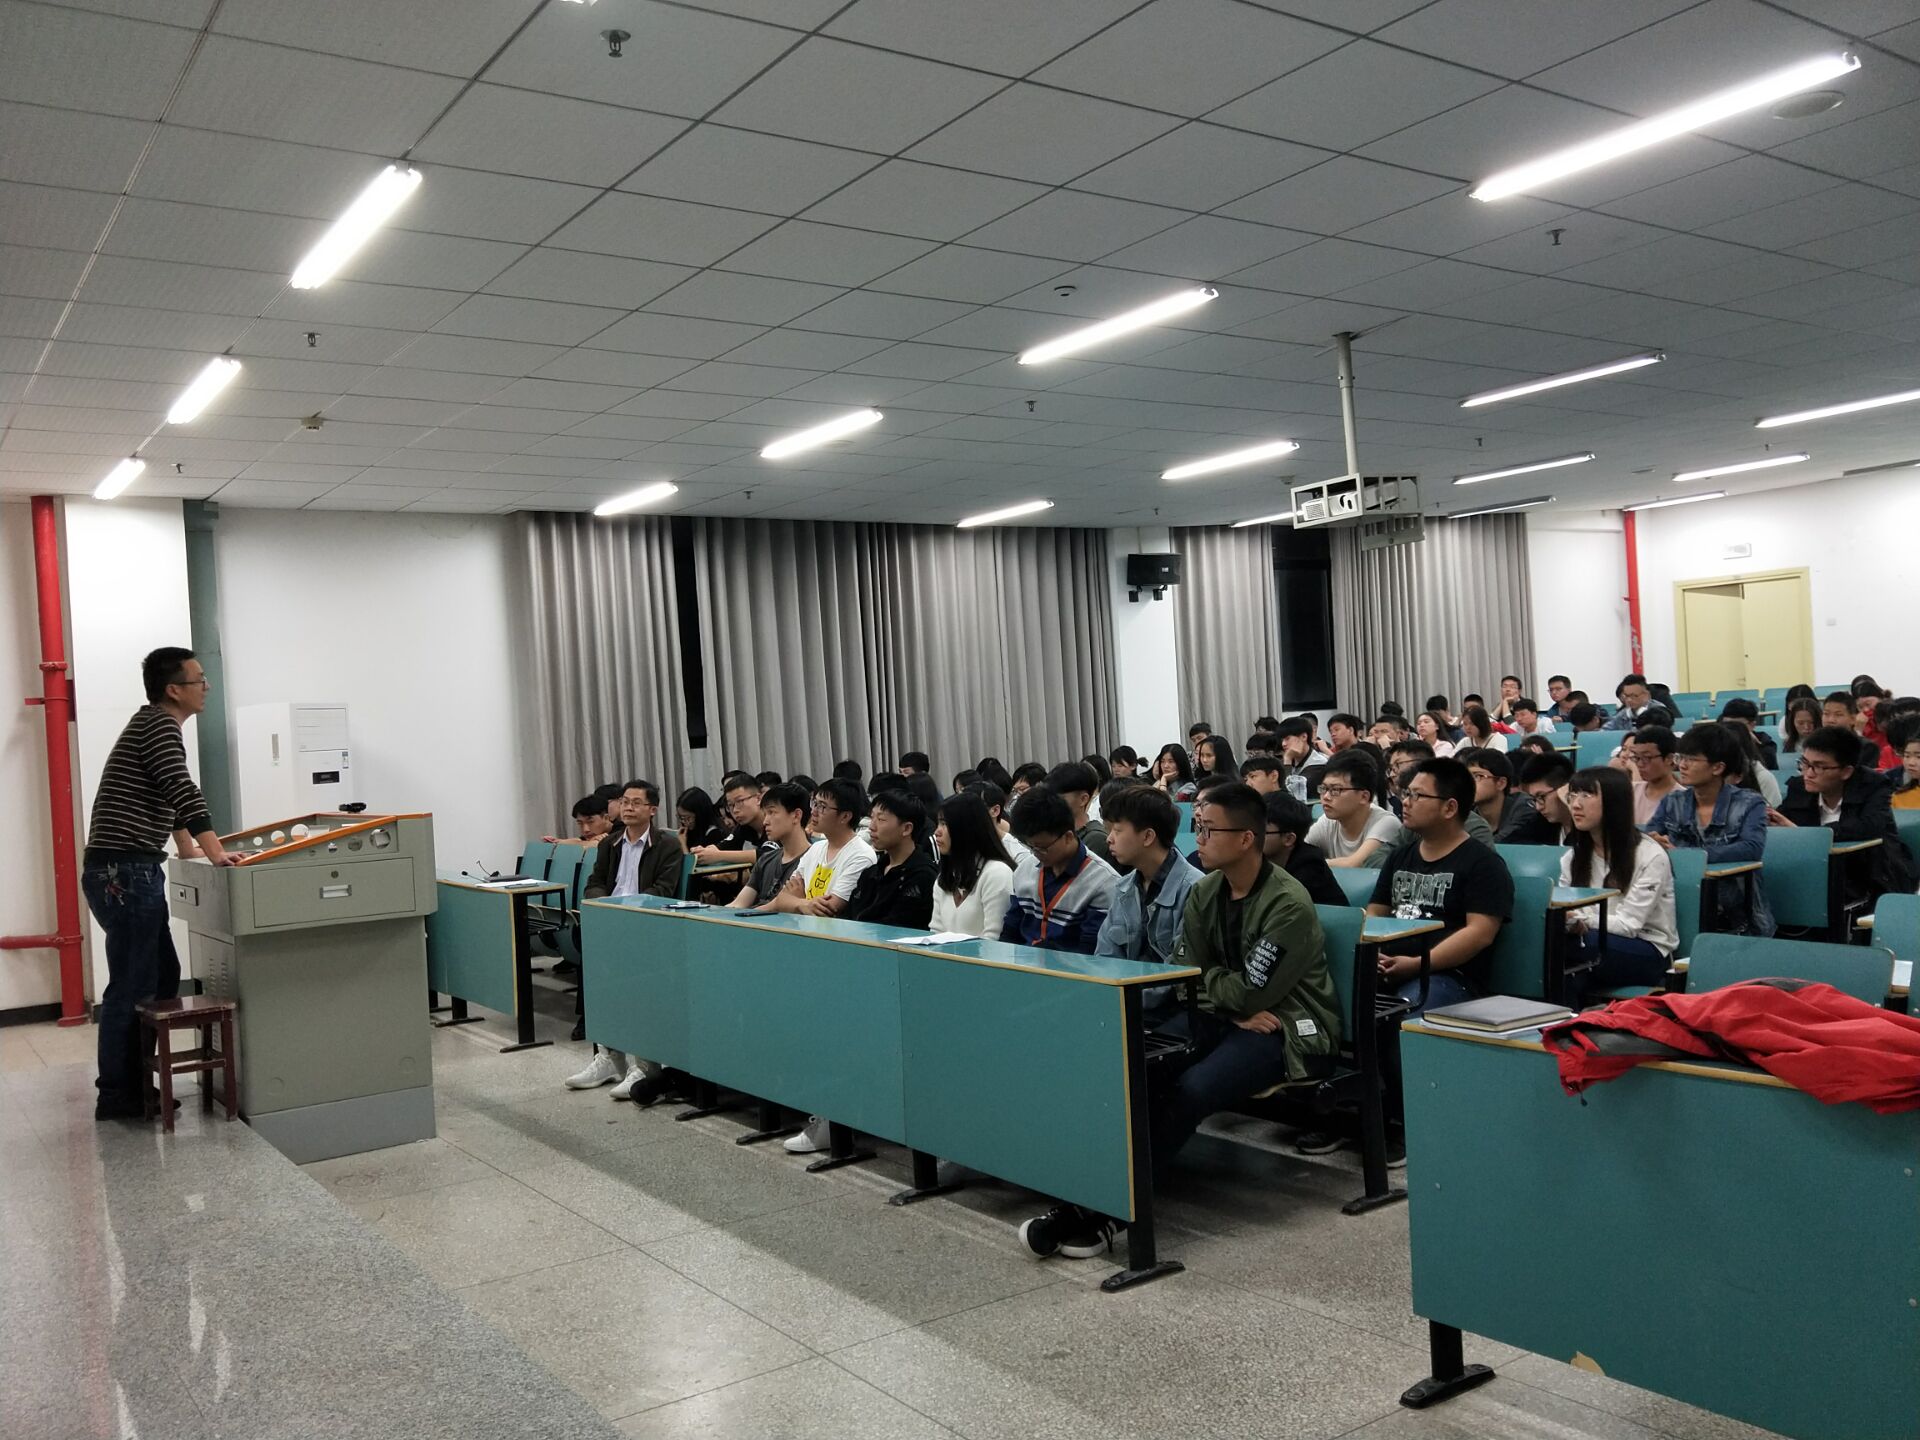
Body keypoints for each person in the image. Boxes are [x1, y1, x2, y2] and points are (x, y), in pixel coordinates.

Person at [1018, 783, 1340, 1260]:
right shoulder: (1208, 891)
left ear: (1246, 839)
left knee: (1192, 1089)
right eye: (1198, 828)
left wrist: (1216, 987)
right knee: (1141, 1070)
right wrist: (1222, 992)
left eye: (1209, 831)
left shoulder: (1287, 903)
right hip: (1226, 1017)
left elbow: (1251, 993)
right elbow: (1186, 975)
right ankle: (1090, 1193)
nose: (1198, 839)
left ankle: (1112, 1214)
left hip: (1287, 1027)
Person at [83, 647, 240, 1120]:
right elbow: (182, 791)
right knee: (133, 986)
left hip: (131, 869)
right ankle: (118, 1095)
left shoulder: (154, 727)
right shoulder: (158, 726)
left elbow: (164, 794)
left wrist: (187, 848)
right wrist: (216, 852)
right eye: (199, 679)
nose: (206, 687)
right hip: (123, 871)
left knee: (162, 976)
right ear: (174, 689)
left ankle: (136, 1083)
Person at [567, 779, 686, 1095]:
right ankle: (608, 1057)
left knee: (634, 985)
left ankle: (641, 1065)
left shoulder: (667, 845)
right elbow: (595, 882)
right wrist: (604, 905)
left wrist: (625, 910)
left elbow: (662, 891)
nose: (628, 808)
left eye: (636, 802)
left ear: (652, 809)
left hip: (645, 925)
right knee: (600, 982)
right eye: (624, 802)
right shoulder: (610, 843)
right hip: (612, 921)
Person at [1642, 722, 1774, 936]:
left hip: (1737, 914)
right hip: (1681, 906)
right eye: (1681, 758)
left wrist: (1686, 856)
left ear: (1717, 768)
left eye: (1691, 759)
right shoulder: (1673, 801)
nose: (1682, 765)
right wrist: (1654, 842)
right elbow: (1647, 839)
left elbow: (1751, 848)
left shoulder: (1749, 803)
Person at [1771, 725, 1918, 908]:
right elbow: (1783, 822)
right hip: (1815, 872)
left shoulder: (1874, 785)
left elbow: (1869, 826)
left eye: (1819, 767)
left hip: (1871, 872)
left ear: (1846, 771)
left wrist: (1809, 835)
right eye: (1805, 763)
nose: (1808, 773)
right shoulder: (1800, 787)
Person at [1561, 766, 1678, 994]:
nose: (1576, 804)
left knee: (1564, 946)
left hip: (1647, 950)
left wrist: (1580, 920)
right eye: (1572, 795)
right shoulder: (1573, 857)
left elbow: (1629, 925)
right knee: (1564, 964)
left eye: (1587, 795)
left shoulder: (1650, 855)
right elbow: (1567, 910)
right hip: (1591, 942)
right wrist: (1570, 922)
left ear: (1614, 802)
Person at [1095, 786, 1199, 1020]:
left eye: (1117, 830)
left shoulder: (1194, 889)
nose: (1109, 839)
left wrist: (1123, 1000)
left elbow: (1179, 974)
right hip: (1123, 1005)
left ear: (1148, 837)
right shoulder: (1124, 887)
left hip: (1173, 1012)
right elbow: (1105, 954)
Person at [1000, 786, 1120, 952]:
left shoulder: (1103, 882)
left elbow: (1090, 952)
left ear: (1068, 836)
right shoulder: (1025, 869)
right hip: (1021, 962)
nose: (1036, 854)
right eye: (1031, 847)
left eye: (1042, 848)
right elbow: (1010, 931)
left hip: (1070, 966)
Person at [768, 779, 876, 917]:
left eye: (822, 807)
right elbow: (781, 899)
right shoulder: (816, 849)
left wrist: (796, 902)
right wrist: (803, 904)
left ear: (845, 816)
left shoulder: (861, 856)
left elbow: (829, 908)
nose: (813, 811)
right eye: (814, 803)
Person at [931, 792, 1016, 937]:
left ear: (966, 828)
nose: (937, 832)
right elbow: (935, 933)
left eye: (944, 824)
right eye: (938, 823)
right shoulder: (945, 877)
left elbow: (994, 939)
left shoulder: (996, 873)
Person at [1306, 750, 1407, 868]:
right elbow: (1298, 854)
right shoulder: (1327, 822)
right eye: (1324, 788)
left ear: (1364, 797)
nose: (1326, 797)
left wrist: (1312, 864)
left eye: (1336, 790)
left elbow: (1355, 864)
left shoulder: (1386, 823)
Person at [1262, 791, 1345, 907]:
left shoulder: (1310, 867)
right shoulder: (1258, 861)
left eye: (1261, 831)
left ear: (1289, 839)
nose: (1250, 836)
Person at [1461, 748, 1559, 843]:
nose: (1468, 783)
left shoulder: (1523, 808)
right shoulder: (1464, 813)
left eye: (1478, 776)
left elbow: (1501, 842)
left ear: (1501, 783)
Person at [1044, 761, 1111, 862]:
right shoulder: (1057, 833)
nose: (1050, 803)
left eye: (1057, 798)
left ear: (1083, 799)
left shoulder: (1095, 839)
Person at [1625, 725, 1680, 825]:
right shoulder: (1629, 792)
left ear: (1669, 758)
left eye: (1646, 758)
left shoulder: (1682, 799)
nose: (1640, 764)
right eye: (1636, 758)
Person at [1517, 751, 1575, 840]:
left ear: (1565, 788)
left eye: (1541, 797)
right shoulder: (1540, 824)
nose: (1538, 807)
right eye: (1534, 799)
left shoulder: (1592, 829)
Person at [1719, 698, 1779, 770]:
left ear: (1752, 725)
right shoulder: (1717, 741)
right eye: (1727, 724)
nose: (1731, 730)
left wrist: (1748, 745)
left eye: (1737, 726)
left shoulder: (1765, 748)